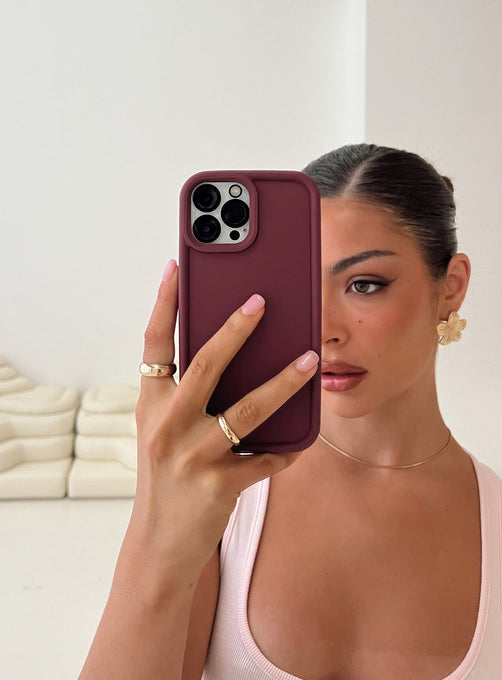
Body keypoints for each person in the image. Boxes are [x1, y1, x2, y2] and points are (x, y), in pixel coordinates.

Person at [79, 144, 502, 680]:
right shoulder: (224, 493)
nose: (323, 330)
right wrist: (156, 529)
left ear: (452, 287)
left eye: (364, 285)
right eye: (303, 287)